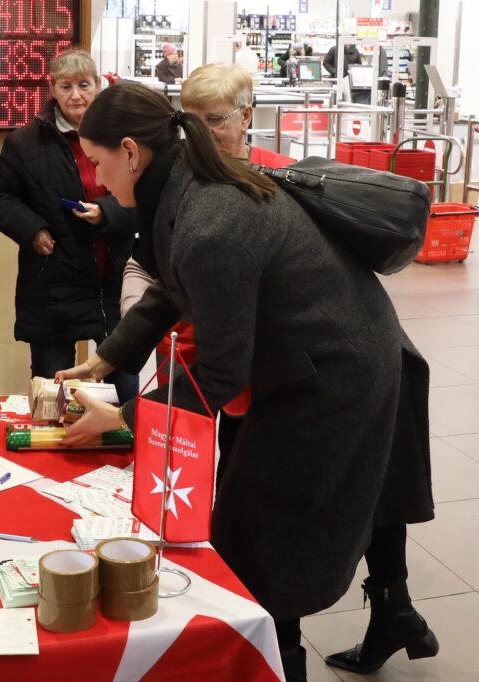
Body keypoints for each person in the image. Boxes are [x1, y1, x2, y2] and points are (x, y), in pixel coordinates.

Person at [55, 82, 435, 681]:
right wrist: (107, 359)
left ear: (129, 152)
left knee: (264, 542)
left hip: (333, 375)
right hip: (312, 357)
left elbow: (219, 372)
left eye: (97, 162)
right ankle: (300, 641)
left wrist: (124, 418)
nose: (97, 180)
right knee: (250, 525)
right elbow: (171, 287)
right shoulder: (186, 186)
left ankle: (278, 662)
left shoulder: (211, 217)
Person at [119, 63, 295, 477]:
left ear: (246, 116)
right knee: (177, 460)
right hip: (183, 342)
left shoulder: (281, 174)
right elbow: (147, 259)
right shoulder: (174, 176)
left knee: (241, 460)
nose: (203, 134)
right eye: (191, 123)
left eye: (214, 120)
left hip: (250, 350)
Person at [0, 49, 138, 402]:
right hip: (52, 284)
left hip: (115, 282)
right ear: (52, 89)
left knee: (126, 394)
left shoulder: (122, 139)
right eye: (66, 86)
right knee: (54, 396)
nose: (76, 95)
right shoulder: (25, 142)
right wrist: (32, 230)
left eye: (84, 85)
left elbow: (144, 197)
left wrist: (106, 212)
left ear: (98, 86)